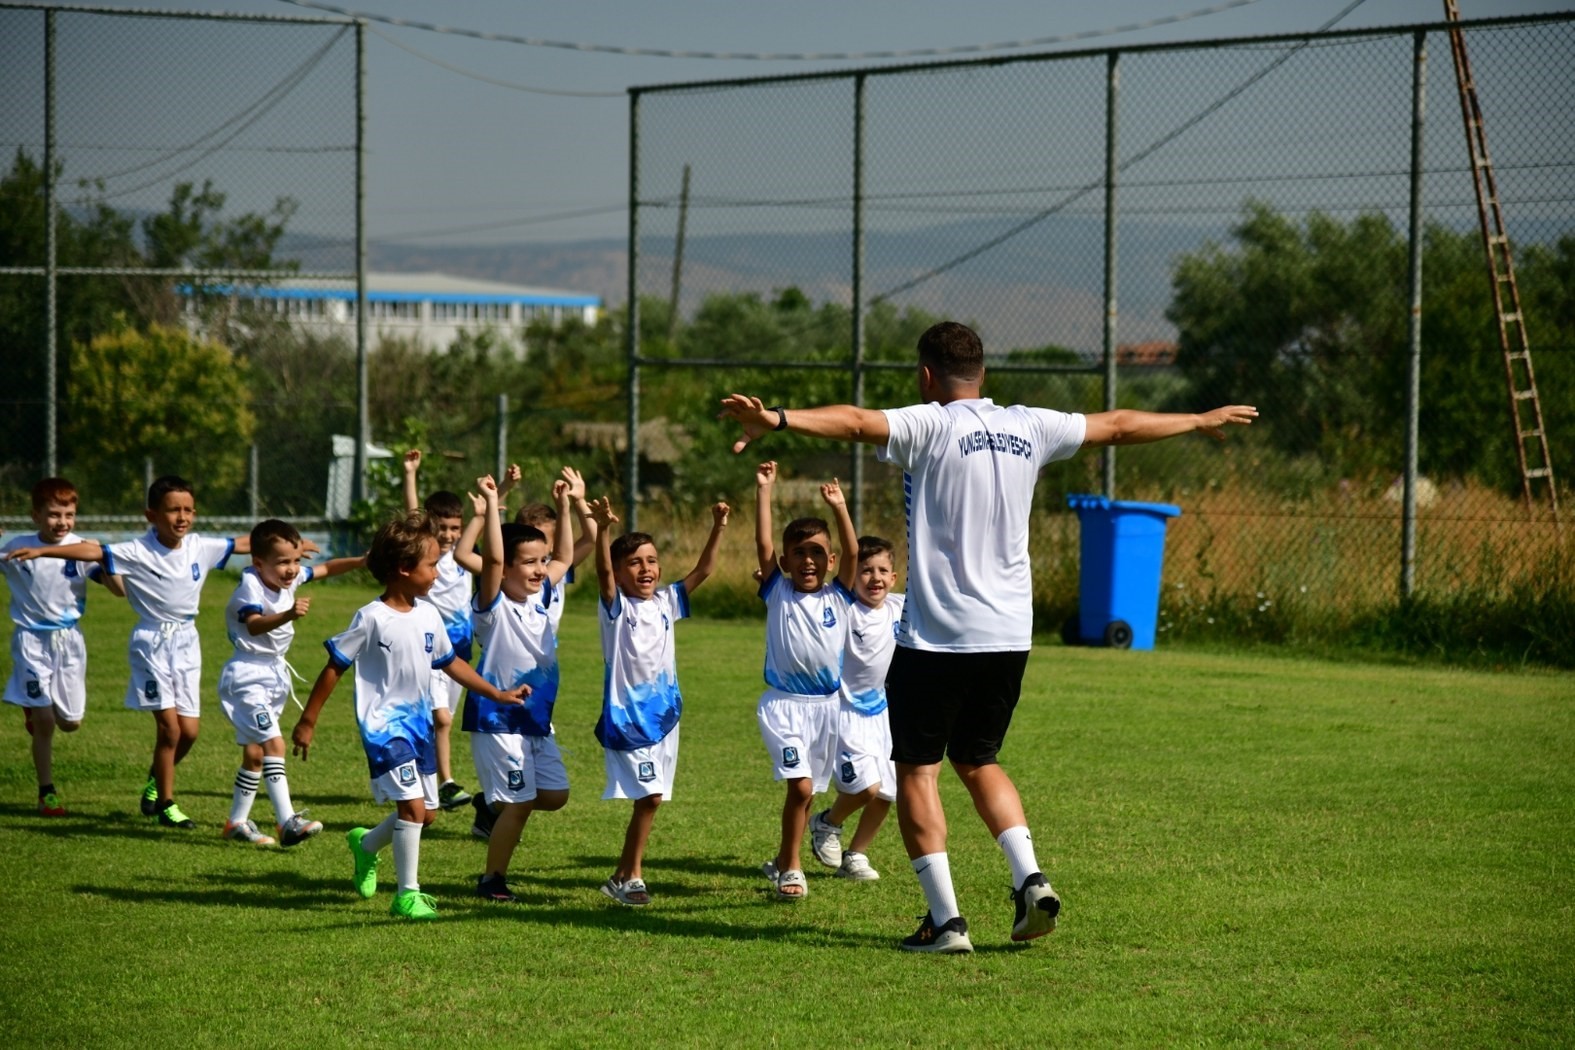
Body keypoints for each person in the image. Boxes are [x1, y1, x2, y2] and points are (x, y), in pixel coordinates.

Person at [719, 320, 1258, 953]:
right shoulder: (1030, 425)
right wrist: (1197, 418)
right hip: (1010, 635)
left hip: (937, 638)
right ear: (984, 375)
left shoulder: (929, 424)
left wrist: (779, 418)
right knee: (979, 760)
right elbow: (1116, 425)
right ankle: (1029, 878)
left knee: (917, 773)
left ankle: (945, 923)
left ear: (926, 378)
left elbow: (859, 422)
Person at [290, 512, 527, 921]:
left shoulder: (429, 615)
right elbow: (334, 667)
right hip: (384, 728)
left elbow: (451, 663)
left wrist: (496, 693)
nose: (438, 572)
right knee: (413, 810)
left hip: (419, 728)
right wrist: (308, 720)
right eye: (431, 564)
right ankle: (407, 895)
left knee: (426, 814)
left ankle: (365, 846)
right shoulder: (372, 618)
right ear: (403, 569)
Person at [9, 475, 264, 829]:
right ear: (151, 514)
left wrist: (285, 544)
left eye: (188, 510)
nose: (182, 517)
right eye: (173, 509)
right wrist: (42, 551)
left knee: (189, 732)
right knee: (169, 730)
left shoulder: (198, 547)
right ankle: (167, 805)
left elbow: (242, 543)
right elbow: (93, 550)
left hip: (187, 642)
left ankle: (154, 784)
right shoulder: (137, 549)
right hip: (150, 644)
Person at [588, 495, 728, 907]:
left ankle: (620, 875)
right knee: (648, 798)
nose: (645, 568)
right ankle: (631, 877)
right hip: (628, 719)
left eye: (650, 560)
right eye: (634, 562)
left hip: (666, 719)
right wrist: (603, 530)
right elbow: (600, 571)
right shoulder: (616, 607)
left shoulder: (666, 602)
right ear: (617, 571)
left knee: (653, 799)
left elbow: (704, 570)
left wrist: (718, 524)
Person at [464, 468, 591, 902]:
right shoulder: (492, 605)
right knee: (520, 803)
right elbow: (494, 561)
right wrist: (492, 508)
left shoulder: (543, 596)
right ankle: (492, 879)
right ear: (505, 571)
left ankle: (491, 804)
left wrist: (566, 505)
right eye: (530, 562)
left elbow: (566, 558)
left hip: (536, 720)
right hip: (497, 719)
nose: (540, 570)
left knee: (554, 795)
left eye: (542, 561)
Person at [216, 519, 365, 847]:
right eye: (283, 562)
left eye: (295, 561)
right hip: (246, 678)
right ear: (258, 563)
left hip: (272, 676)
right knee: (274, 744)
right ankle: (287, 822)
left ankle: (236, 823)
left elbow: (325, 569)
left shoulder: (287, 580)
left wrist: (361, 561)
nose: (292, 569)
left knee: (255, 753)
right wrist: (288, 615)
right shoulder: (250, 587)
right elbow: (254, 626)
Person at [752, 462, 856, 901]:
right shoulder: (778, 591)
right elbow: (761, 542)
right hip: (783, 706)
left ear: (829, 561)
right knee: (800, 786)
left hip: (827, 708)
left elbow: (853, 552)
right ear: (784, 561)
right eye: (799, 553)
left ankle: (781, 860)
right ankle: (792, 870)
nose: (808, 560)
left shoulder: (840, 594)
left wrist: (840, 508)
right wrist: (764, 490)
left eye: (817, 553)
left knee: (808, 792)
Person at [1, 477, 116, 816]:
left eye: (68, 514)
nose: (62, 522)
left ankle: (36, 710)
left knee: (71, 722)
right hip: (31, 641)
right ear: (35, 515)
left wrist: (106, 559)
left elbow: (118, 589)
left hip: (69, 643)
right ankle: (46, 792)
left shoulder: (81, 548)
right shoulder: (17, 548)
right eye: (53, 514)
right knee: (46, 721)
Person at [811, 530, 904, 883]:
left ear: (893, 578)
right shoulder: (843, 610)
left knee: (888, 793)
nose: (875, 578)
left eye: (882, 571)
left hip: (882, 715)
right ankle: (828, 822)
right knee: (863, 788)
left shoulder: (899, 606)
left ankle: (856, 854)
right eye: (866, 570)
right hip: (844, 713)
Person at [402, 449, 484, 811]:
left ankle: (424, 775)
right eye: (443, 527)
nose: (449, 534)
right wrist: (410, 475)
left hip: (460, 651)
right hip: (428, 648)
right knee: (442, 718)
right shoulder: (427, 552)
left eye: (455, 528)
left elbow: (488, 522)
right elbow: (412, 515)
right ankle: (447, 783)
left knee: (439, 721)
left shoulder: (466, 555)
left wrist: (506, 489)